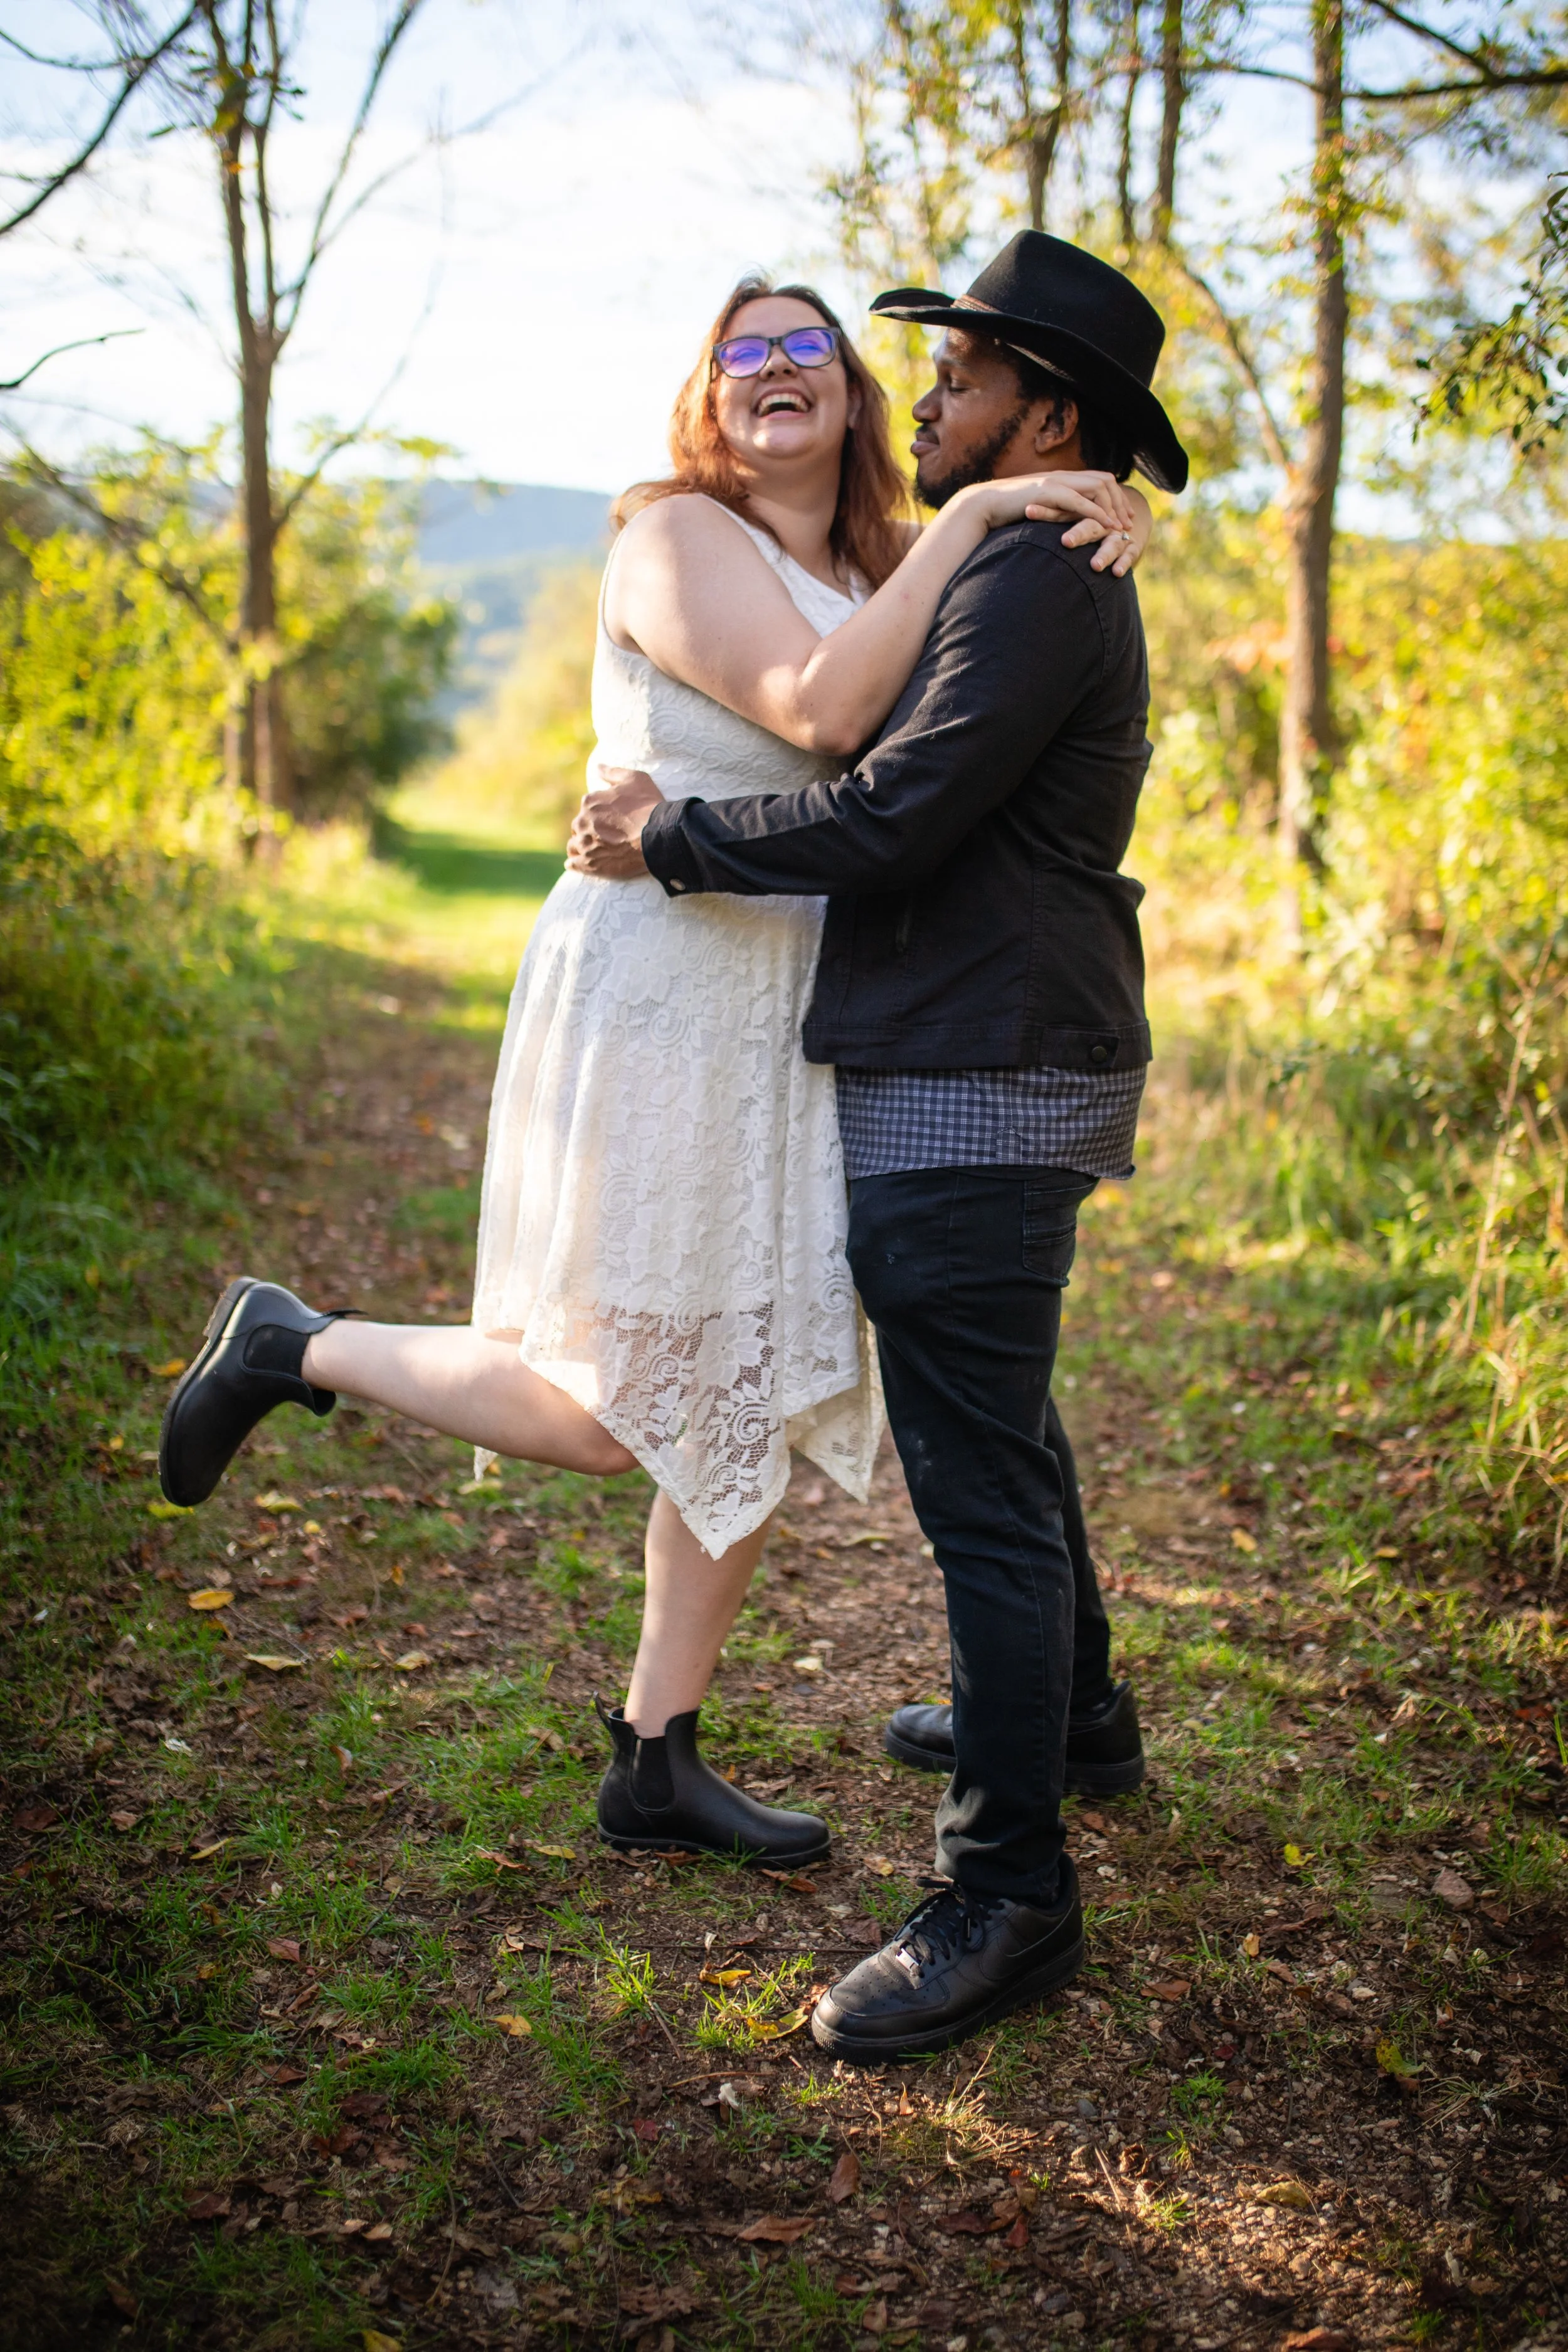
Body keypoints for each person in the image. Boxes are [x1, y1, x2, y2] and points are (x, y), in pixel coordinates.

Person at [157, 268, 1148, 1872]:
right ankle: (297, 1342)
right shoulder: (674, 537)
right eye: (740, 349)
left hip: (811, 1007)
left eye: (806, 347)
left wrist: (1078, 514)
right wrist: (989, 523)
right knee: (626, 1400)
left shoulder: (882, 554)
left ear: (854, 396)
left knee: (745, 1367)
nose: (774, 365)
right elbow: (827, 713)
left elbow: (988, 674)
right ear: (709, 394)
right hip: (670, 987)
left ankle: (654, 1753)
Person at [566, 231, 1189, 2059]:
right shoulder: (1007, 555)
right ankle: (1073, 1718)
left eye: (957, 376)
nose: (921, 397)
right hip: (989, 1046)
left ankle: (1005, 1888)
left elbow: (889, 807)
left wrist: (675, 842)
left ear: (1043, 409)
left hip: (972, 1066)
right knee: (1006, 1421)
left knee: (976, 1484)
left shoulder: (1024, 579)